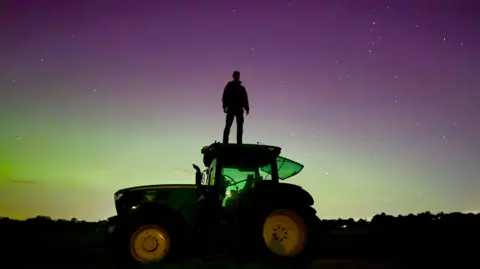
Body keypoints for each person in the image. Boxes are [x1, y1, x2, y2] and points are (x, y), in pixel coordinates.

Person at [222, 71, 250, 144]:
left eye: (238, 75)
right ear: (233, 76)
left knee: (240, 126)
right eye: (236, 75)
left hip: (239, 109)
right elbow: (225, 96)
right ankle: (225, 142)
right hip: (231, 108)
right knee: (228, 125)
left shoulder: (242, 88)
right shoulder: (229, 86)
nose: (237, 77)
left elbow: (245, 98)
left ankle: (239, 142)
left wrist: (247, 108)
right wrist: (225, 106)